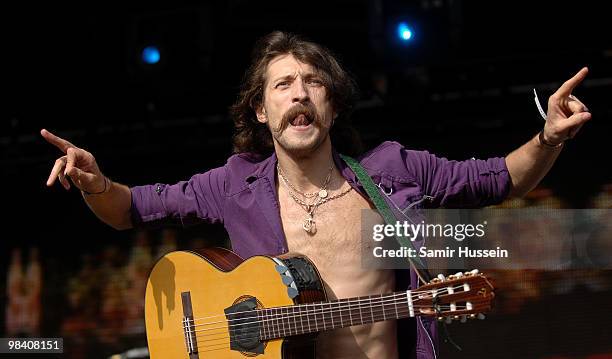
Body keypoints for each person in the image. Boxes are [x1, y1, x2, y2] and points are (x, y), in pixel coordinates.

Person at [41, 31, 591, 359]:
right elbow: (131, 209)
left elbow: (499, 178)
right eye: (282, 85)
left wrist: (548, 137)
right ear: (261, 111)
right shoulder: (235, 184)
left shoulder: (393, 170)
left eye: (314, 83)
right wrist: (97, 184)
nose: (299, 94)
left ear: (332, 106)